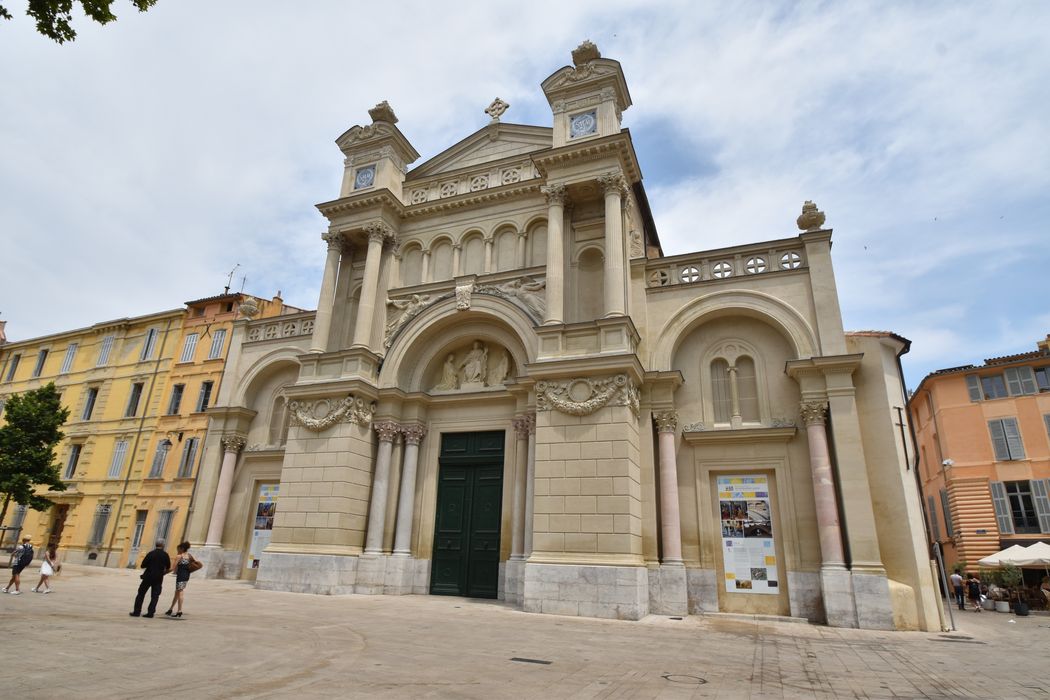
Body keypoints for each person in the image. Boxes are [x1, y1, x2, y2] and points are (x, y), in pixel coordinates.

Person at [130, 539, 171, 618]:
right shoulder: (165, 555)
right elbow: (168, 567)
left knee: (141, 594)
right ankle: (150, 612)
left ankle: (137, 611)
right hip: (158, 578)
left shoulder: (151, 554)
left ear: (156, 544)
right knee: (155, 596)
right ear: (163, 545)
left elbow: (143, 565)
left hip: (148, 576)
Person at [164, 541, 199, 618]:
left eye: (178, 549)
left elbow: (173, 568)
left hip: (181, 576)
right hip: (186, 576)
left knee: (180, 592)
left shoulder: (179, 556)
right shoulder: (189, 556)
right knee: (177, 592)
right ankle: (170, 609)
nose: (177, 551)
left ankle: (179, 610)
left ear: (182, 548)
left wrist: (164, 573)